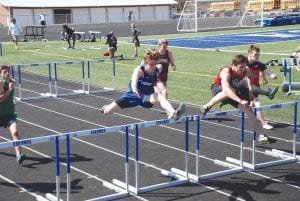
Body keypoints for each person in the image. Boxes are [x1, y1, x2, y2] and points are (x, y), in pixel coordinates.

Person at [199, 54, 271, 144]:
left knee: (248, 108)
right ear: (233, 65)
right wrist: (240, 100)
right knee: (230, 90)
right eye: (240, 67)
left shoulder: (246, 69)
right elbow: (226, 89)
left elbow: (249, 78)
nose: (243, 69)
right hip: (218, 89)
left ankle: (261, 135)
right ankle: (207, 106)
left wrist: (250, 93)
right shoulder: (226, 71)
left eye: (244, 67)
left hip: (234, 93)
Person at [100, 52, 185, 121]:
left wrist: (159, 87)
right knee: (107, 112)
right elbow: (134, 80)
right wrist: (134, 90)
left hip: (146, 97)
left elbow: (159, 69)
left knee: (160, 96)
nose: (153, 66)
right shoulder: (139, 70)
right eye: (151, 64)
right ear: (145, 63)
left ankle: (173, 113)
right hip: (132, 95)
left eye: (154, 64)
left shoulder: (158, 68)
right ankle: (105, 108)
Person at [247, 45, 278, 130]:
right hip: (246, 87)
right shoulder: (243, 63)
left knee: (252, 105)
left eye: (258, 54)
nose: (257, 56)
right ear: (249, 54)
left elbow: (264, 69)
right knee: (257, 103)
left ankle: (257, 120)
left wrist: (271, 75)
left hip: (255, 86)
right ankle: (263, 123)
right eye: (255, 54)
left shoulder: (258, 63)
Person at [0, 65, 25, 164]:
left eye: (8, 72)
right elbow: (0, 100)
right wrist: (9, 90)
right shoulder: (1, 83)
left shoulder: (11, 81)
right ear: (0, 74)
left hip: (9, 113)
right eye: (4, 72)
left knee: (15, 132)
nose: (7, 74)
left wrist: (12, 98)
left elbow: (12, 83)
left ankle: (19, 155)